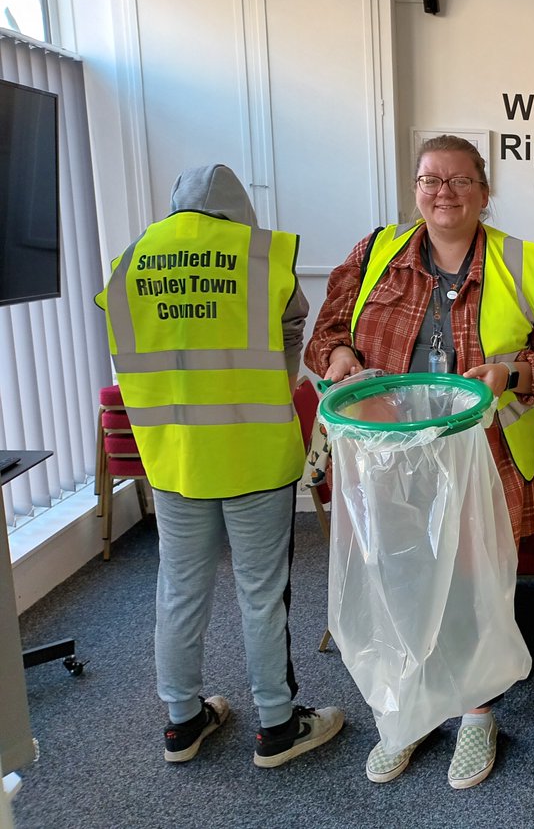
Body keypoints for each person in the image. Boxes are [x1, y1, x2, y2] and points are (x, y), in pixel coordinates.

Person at [304, 134, 534, 788]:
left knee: (476, 587)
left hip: (482, 457)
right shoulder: (374, 254)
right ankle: (409, 713)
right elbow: (327, 333)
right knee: (397, 580)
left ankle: (477, 715)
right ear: (415, 188)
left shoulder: (525, 262)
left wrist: (512, 372)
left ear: (485, 191)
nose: (443, 193)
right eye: (430, 180)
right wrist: (339, 359)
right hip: (389, 461)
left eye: (459, 181)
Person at [95, 164, 344, 767]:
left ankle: (182, 721)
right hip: (253, 451)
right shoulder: (262, 258)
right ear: (240, 210)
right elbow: (289, 350)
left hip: (173, 455)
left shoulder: (131, 262)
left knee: (178, 589)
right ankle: (278, 725)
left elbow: (123, 348)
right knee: (262, 593)